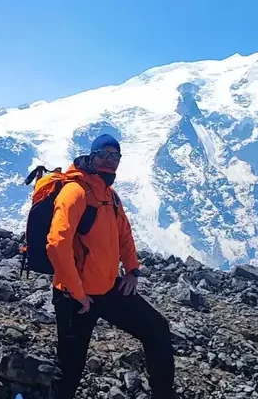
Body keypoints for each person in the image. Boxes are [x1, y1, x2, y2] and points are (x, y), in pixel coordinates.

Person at [46, 134, 176, 399]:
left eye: (114, 156)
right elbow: (56, 244)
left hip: (107, 288)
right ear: (91, 157)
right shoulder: (75, 192)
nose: (109, 161)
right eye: (103, 155)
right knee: (70, 369)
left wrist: (132, 270)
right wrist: (77, 292)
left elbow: (124, 235)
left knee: (157, 329)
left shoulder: (110, 196)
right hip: (75, 298)